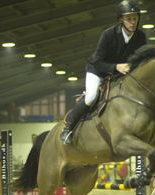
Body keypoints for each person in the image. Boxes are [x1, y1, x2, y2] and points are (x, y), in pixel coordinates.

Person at [60, 0, 147, 144]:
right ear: (120, 19)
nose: (132, 22)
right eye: (128, 19)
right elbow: (97, 61)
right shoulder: (108, 34)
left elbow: (141, 58)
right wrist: (116, 67)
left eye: (135, 18)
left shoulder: (140, 37)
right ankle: (67, 129)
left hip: (119, 75)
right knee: (92, 97)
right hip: (98, 71)